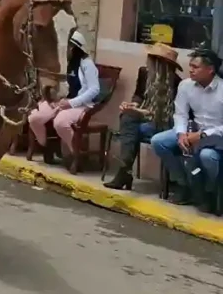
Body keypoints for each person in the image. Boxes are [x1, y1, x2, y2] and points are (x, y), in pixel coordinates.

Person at [104, 43, 183, 190]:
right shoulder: (144, 73)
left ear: (159, 63)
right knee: (128, 117)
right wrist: (132, 105)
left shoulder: (176, 83)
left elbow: (166, 115)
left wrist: (140, 111)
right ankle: (125, 170)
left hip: (163, 123)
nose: (147, 61)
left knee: (134, 129)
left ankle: (124, 171)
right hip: (143, 117)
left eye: (150, 59)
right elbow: (139, 96)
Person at [151, 46, 223, 206]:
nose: (190, 70)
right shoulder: (186, 85)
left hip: (217, 137)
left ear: (210, 69)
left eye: (195, 67)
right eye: (190, 66)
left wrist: (203, 135)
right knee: (159, 141)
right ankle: (184, 184)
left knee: (207, 156)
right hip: (194, 132)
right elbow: (181, 114)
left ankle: (209, 191)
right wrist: (181, 133)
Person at [27, 30, 100, 166]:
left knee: (60, 122)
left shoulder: (87, 65)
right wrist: (53, 98)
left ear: (76, 48)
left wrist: (71, 103)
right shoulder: (64, 62)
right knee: (34, 117)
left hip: (80, 105)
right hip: (61, 101)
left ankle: (75, 154)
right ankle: (46, 146)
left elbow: (94, 89)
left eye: (69, 46)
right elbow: (60, 83)